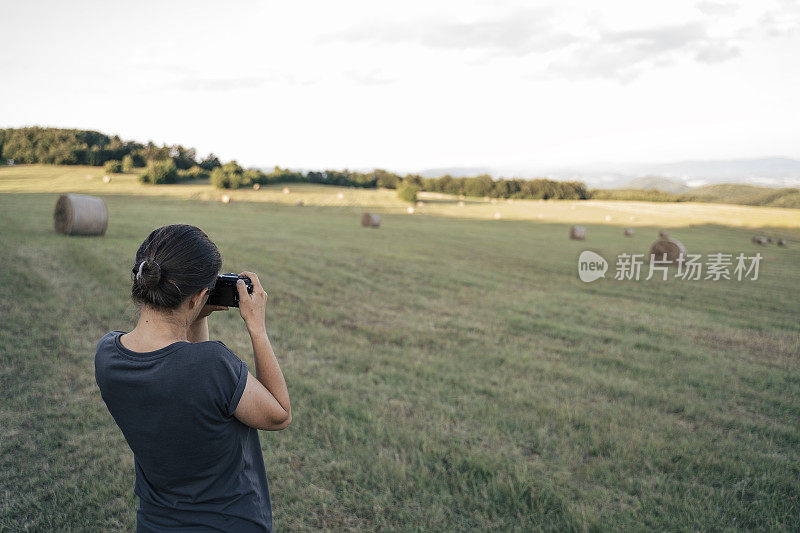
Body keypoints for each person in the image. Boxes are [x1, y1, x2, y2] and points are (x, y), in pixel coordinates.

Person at [94, 224, 291, 532]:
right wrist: (258, 329)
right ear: (200, 295)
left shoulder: (107, 354)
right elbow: (279, 415)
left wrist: (195, 315)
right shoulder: (213, 364)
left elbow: (186, 366)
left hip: (155, 523)